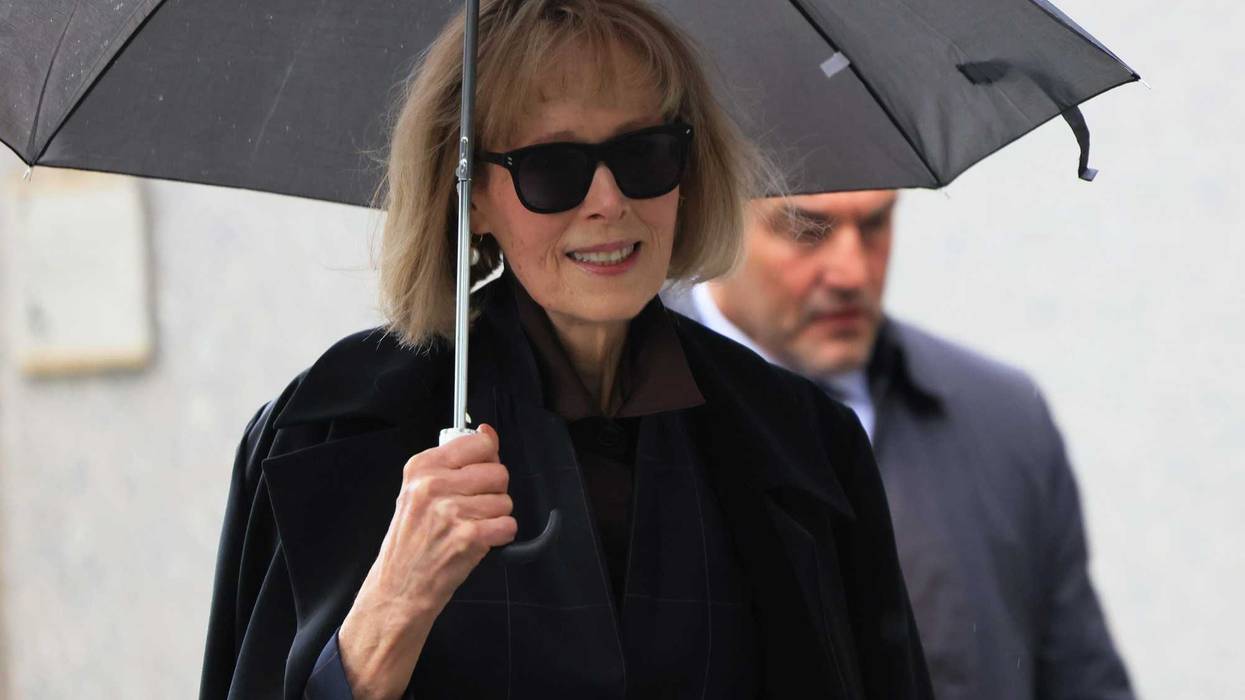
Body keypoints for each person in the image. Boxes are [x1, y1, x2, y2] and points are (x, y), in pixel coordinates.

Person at [199, 3, 932, 699]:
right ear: (472, 195)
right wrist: (391, 608)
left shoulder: (803, 445)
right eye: (553, 165)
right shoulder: (326, 432)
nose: (609, 200)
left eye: (643, 154)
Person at [665, 189, 1134, 700]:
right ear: (715, 220)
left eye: (874, 224)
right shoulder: (617, 416)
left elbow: (1082, 679)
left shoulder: (1003, 420)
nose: (852, 273)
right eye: (807, 230)